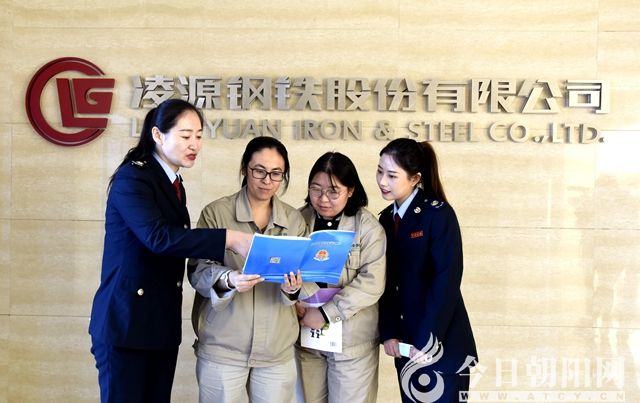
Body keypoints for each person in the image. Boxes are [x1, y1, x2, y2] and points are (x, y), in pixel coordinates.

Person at [88, 99, 253, 403]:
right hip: (126, 324)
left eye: (199, 136)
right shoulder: (133, 178)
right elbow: (158, 238)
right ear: (157, 135)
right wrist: (228, 239)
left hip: (159, 326)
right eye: (185, 135)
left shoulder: (172, 181)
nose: (195, 145)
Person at [188, 136, 306, 403]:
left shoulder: (294, 220)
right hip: (223, 348)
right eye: (259, 171)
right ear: (244, 168)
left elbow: (304, 279)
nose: (267, 180)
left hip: (276, 351)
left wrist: (293, 289)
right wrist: (228, 279)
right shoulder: (216, 213)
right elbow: (197, 271)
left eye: (276, 173)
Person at [376, 138, 477, 403]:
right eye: (380, 171)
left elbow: (446, 281)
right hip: (406, 345)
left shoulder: (438, 215)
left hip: (441, 342)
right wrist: (389, 332)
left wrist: (427, 339)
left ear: (415, 178)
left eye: (392, 175)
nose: (382, 181)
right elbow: (386, 281)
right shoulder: (385, 218)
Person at [295, 151, 386, 403]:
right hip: (307, 338)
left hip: (352, 343)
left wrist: (326, 313)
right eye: (316, 189)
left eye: (333, 191)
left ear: (351, 190)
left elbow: (372, 283)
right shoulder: (297, 221)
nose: (323, 199)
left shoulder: (368, 228)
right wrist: (296, 303)